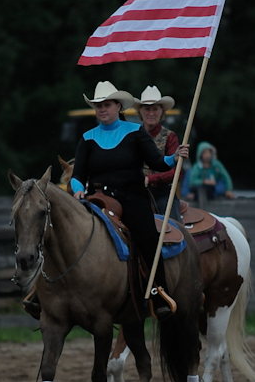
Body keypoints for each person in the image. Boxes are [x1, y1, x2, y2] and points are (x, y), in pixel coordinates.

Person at [71, 81, 189, 321]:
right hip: (98, 197)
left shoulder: (135, 132)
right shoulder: (87, 138)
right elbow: (77, 176)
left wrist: (174, 157)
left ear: (118, 106)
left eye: (106, 105)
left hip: (132, 197)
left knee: (147, 236)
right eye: (98, 106)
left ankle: (159, 291)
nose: (102, 109)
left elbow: (157, 162)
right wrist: (76, 191)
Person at [134, 85, 182, 222]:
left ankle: (177, 243)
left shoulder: (170, 137)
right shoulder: (131, 136)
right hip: (134, 191)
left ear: (162, 111)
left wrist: (150, 179)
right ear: (140, 111)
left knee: (172, 227)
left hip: (161, 194)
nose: (151, 113)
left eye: (155, 109)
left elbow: (176, 171)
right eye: (147, 109)